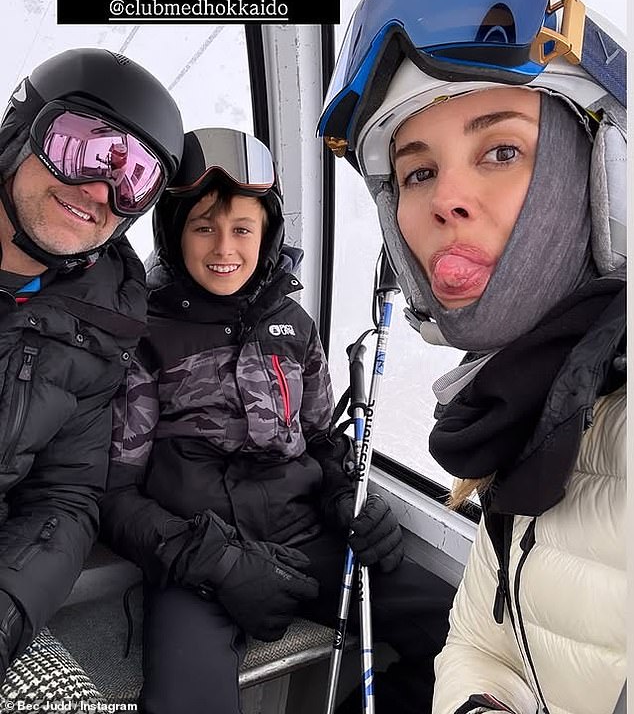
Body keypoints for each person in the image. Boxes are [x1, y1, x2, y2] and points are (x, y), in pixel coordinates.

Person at [317, 0, 626, 714]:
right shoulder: (522, 412)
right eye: (418, 171)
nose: (444, 199)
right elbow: (483, 642)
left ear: (599, 176)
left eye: (499, 150)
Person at [100, 127, 455, 714]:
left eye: (242, 228)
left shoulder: (292, 324)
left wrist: (350, 499)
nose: (224, 248)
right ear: (172, 233)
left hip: (305, 536)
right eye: (203, 227)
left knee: (454, 629)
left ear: (266, 234)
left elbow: (321, 439)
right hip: (199, 556)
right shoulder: (145, 334)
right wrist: (215, 562)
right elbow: (114, 497)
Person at [0, 47, 184, 685]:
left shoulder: (100, 325)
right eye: (81, 147)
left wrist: (7, 611)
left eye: (133, 174)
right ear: (20, 130)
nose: (100, 190)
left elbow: (66, 494)